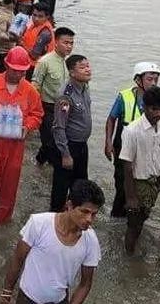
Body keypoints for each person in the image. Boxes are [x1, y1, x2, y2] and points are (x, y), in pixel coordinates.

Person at [1, 180, 104, 304]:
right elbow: (18, 259)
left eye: (94, 214)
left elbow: (85, 284)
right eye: (84, 212)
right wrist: (6, 293)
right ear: (70, 205)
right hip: (27, 299)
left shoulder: (90, 241)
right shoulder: (39, 224)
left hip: (60, 300)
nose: (89, 219)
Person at [0, 47, 45, 224]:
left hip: (15, 145)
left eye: (22, 71)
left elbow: (37, 115)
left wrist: (27, 127)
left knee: (9, 186)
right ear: (6, 65)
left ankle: (2, 225)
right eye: (14, 70)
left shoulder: (30, 91)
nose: (17, 74)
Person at [119, 85, 160, 254]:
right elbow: (127, 166)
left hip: (153, 183)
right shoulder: (132, 131)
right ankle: (129, 257)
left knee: (143, 217)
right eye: (153, 109)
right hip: (138, 183)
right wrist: (131, 196)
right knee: (133, 223)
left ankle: (133, 248)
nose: (157, 113)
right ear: (144, 107)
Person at [105, 61, 158, 217]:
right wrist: (108, 143)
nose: (154, 83)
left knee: (143, 184)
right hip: (123, 147)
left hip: (146, 148)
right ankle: (116, 219)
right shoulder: (124, 96)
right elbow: (111, 119)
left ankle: (135, 216)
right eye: (150, 79)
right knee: (121, 186)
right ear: (138, 79)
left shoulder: (158, 98)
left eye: (156, 79)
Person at [51, 54, 93, 212]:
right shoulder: (66, 95)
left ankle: (75, 215)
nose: (87, 70)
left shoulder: (84, 87)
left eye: (88, 66)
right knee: (61, 187)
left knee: (81, 184)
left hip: (82, 145)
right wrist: (65, 154)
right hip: (69, 146)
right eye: (82, 67)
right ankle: (54, 217)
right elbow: (59, 127)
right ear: (72, 72)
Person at [31, 26, 74, 167]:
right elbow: (35, 85)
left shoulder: (70, 64)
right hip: (47, 107)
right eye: (66, 42)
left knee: (59, 139)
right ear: (56, 42)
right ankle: (51, 167)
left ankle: (39, 161)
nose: (69, 46)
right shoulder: (45, 62)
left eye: (71, 43)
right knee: (51, 141)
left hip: (64, 108)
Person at [21, 3, 55, 79]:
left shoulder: (45, 33)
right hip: (30, 65)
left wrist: (21, 44)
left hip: (37, 68)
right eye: (34, 15)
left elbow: (34, 55)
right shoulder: (34, 25)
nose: (36, 19)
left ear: (47, 17)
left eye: (40, 16)